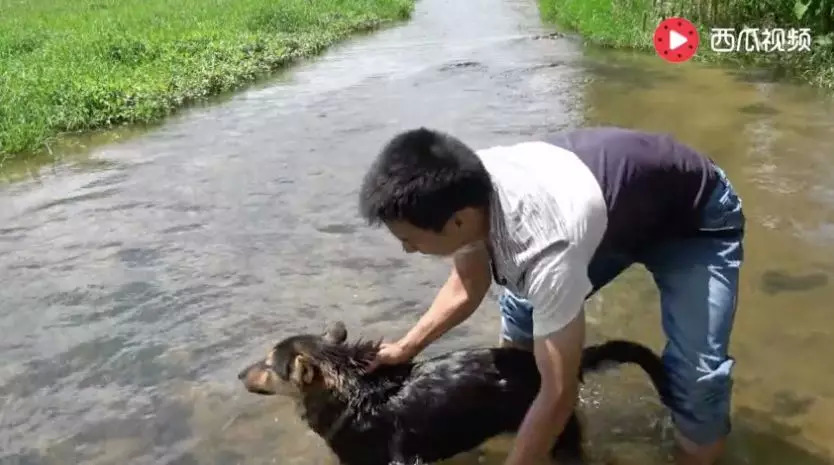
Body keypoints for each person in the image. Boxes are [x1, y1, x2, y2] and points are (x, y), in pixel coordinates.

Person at [356, 126, 745, 465]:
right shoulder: (455, 190)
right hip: (608, 212)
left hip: (693, 218)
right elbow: (468, 285)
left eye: (409, 240)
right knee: (524, 328)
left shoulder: (544, 250)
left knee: (698, 379)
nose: (407, 250)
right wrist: (406, 347)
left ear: (458, 220)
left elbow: (559, 392)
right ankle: (530, 428)